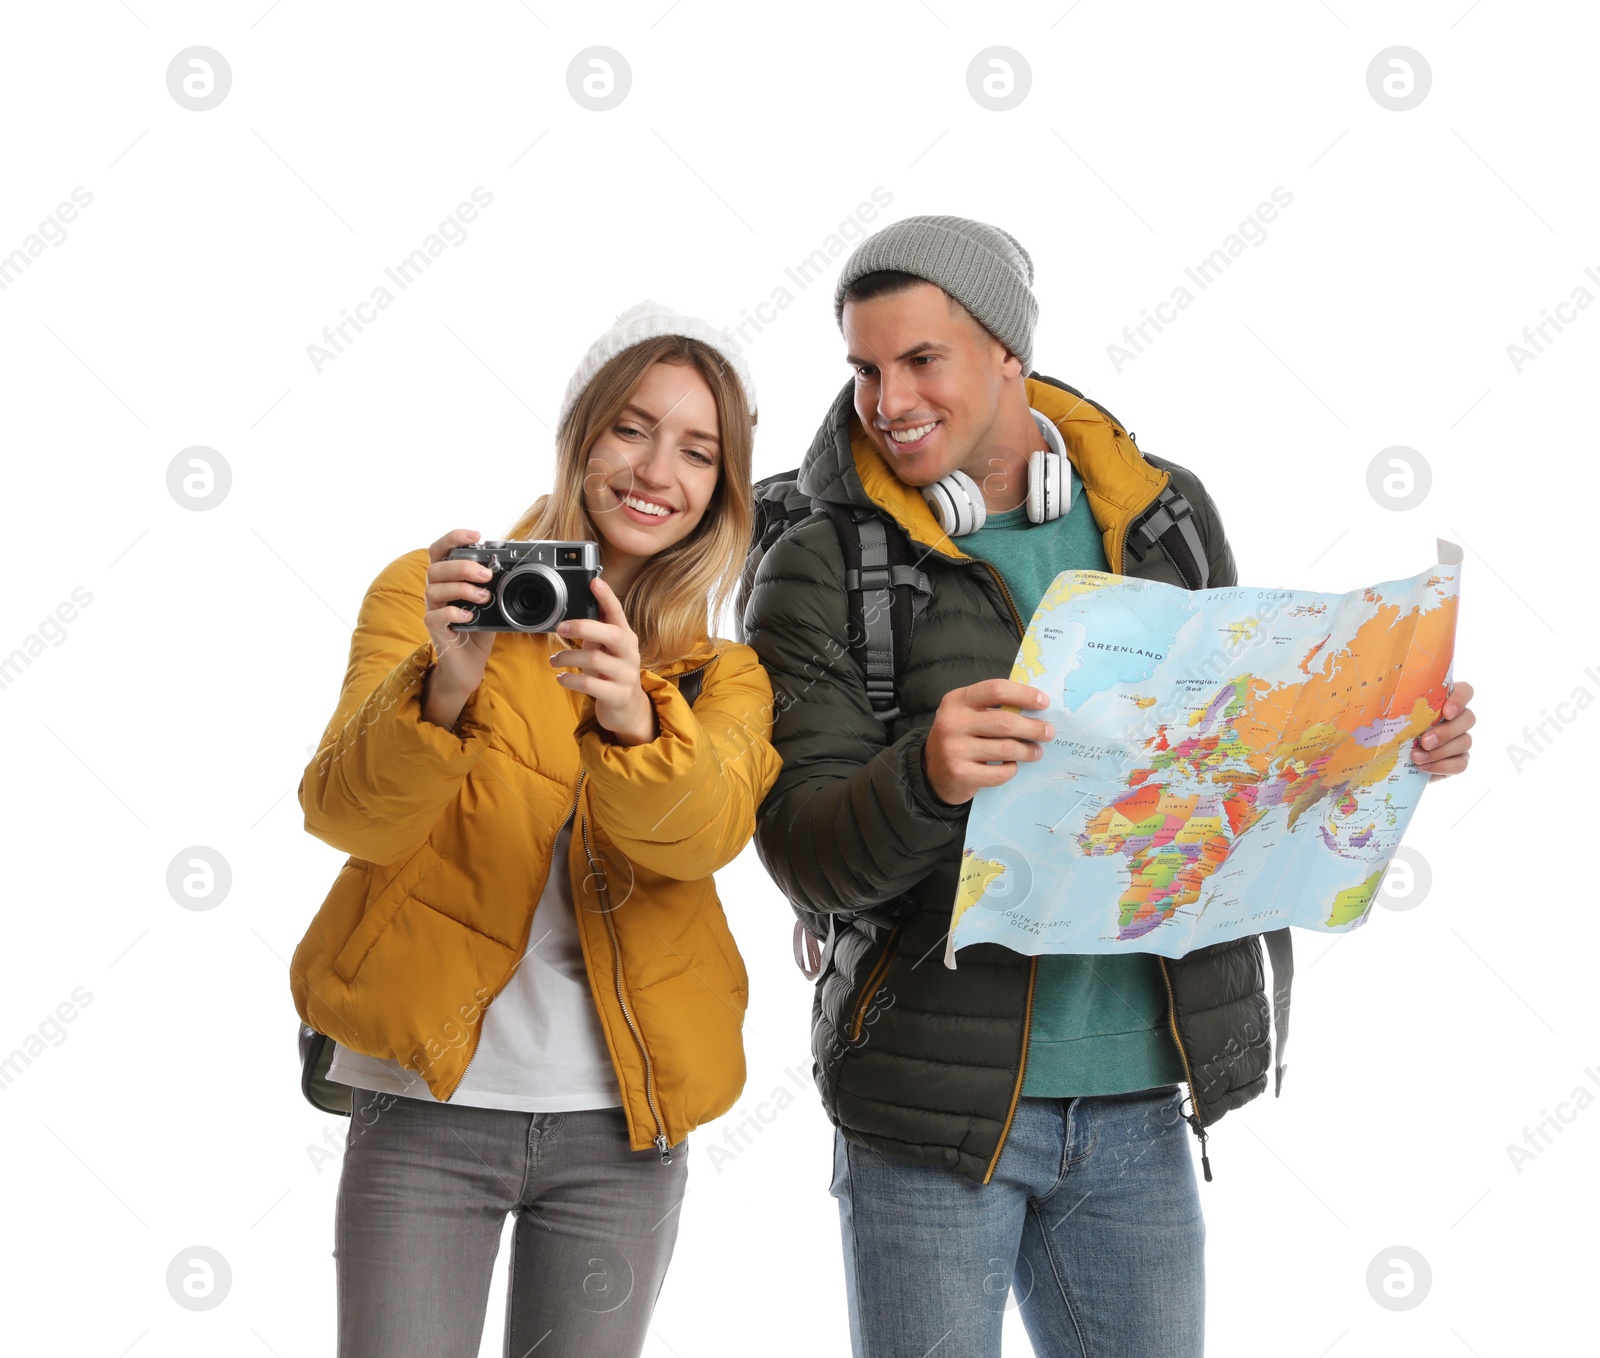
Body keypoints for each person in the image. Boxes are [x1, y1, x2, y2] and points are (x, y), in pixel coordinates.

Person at [741, 216, 1477, 1358]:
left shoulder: (1164, 513)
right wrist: (925, 773)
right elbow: (800, 847)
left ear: (1007, 356)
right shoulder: (819, 558)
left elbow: (1238, 761)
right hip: (932, 1110)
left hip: (1142, 1092)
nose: (886, 401)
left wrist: (1384, 746)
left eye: (920, 361)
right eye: (864, 369)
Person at [290, 301, 781, 1358]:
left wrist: (635, 718)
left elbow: (700, 838)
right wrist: (444, 688)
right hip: (422, 1106)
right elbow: (344, 811)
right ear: (581, 435)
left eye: (699, 450)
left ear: (722, 491)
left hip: (623, 1125)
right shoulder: (430, 599)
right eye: (631, 428)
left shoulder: (721, 677)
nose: (657, 470)